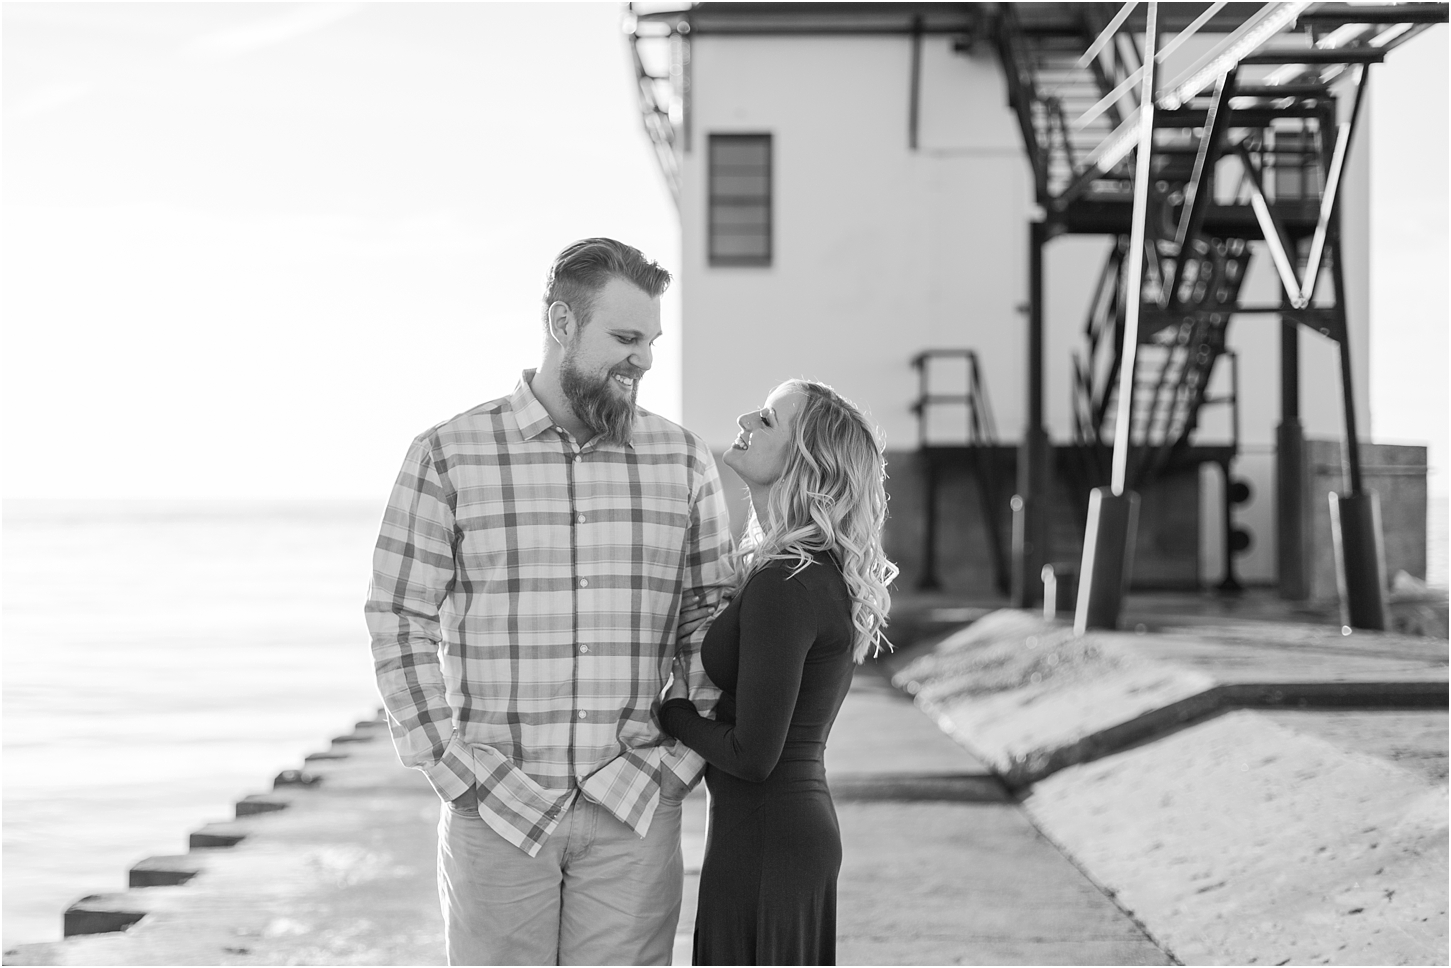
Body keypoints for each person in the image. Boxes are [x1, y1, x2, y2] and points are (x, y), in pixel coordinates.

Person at [365, 238, 732, 966]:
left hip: (632, 804)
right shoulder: (448, 454)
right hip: (495, 807)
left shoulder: (682, 460)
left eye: (652, 341)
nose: (645, 360)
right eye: (625, 338)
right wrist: (448, 765)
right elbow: (398, 616)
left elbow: (710, 619)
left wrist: (673, 765)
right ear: (562, 324)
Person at [659, 379, 898, 966]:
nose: (744, 417)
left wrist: (674, 713)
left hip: (768, 844)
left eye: (767, 419)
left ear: (804, 462)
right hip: (779, 837)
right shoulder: (803, 572)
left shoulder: (785, 582)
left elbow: (752, 753)